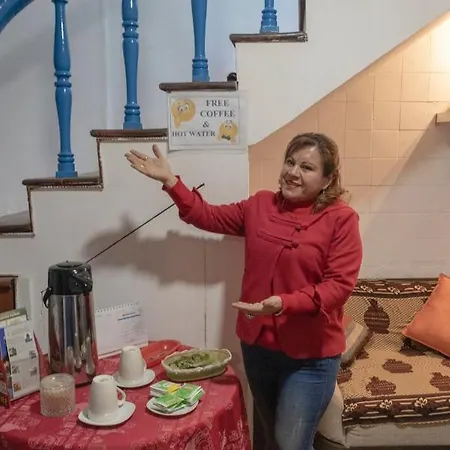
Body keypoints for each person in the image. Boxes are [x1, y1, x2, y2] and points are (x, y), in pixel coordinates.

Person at [125, 132, 363, 450]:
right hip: (259, 347)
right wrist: (171, 182)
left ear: (327, 179)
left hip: (311, 356)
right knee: (268, 435)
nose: (293, 172)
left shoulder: (341, 219)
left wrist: (284, 303)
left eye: (307, 168)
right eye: (290, 162)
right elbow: (207, 215)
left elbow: (338, 286)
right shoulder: (260, 204)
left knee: (291, 443)